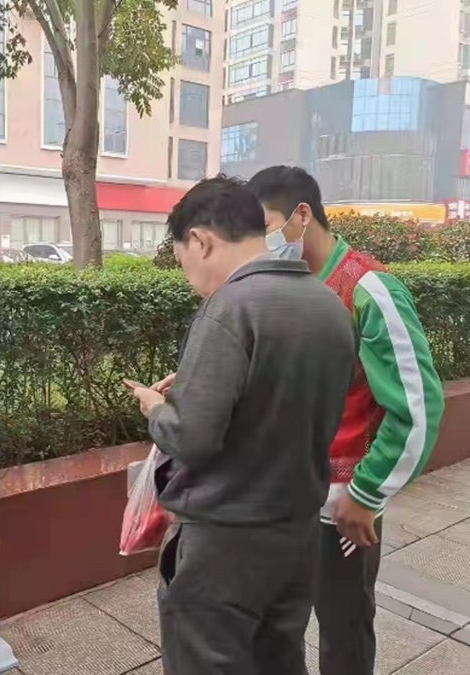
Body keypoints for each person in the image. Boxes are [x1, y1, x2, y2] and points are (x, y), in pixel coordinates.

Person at [126, 175, 358, 675]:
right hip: (296, 533)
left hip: (225, 542)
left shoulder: (228, 307)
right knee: (280, 660)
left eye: (182, 259)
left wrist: (156, 408)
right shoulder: (328, 306)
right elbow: (289, 398)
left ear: (200, 240)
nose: (187, 275)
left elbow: (192, 437)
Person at [248, 166, 445, 675]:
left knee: (343, 630)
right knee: (276, 627)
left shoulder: (368, 290)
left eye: (265, 227)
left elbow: (417, 407)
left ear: (302, 215)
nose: (261, 243)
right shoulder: (278, 286)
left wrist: (367, 494)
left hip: (339, 507)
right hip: (279, 497)